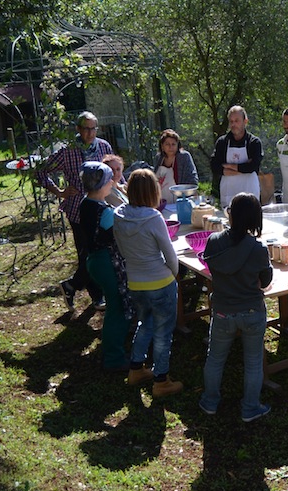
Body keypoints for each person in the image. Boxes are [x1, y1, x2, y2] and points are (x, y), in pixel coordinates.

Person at [199, 192, 273, 422]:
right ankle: (250, 407)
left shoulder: (213, 242)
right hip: (251, 311)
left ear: (230, 214)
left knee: (215, 358)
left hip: (222, 310)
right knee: (253, 362)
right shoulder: (258, 249)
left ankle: (210, 401)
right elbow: (266, 280)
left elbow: (213, 269)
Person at [113, 168, 184, 398]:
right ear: (153, 191)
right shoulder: (154, 218)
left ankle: (136, 369)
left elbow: (123, 251)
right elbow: (170, 254)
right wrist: (175, 275)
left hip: (136, 282)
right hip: (160, 281)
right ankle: (161, 380)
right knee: (163, 332)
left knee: (145, 323)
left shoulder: (118, 214)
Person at [35, 111, 110, 312]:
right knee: (86, 253)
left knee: (103, 251)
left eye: (93, 128)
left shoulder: (103, 147)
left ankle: (72, 285)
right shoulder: (67, 152)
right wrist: (59, 192)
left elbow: (113, 171)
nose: (90, 133)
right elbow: (41, 170)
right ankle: (97, 296)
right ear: (78, 129)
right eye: (86, 128)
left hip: (103, 208)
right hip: (78, 210)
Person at [78, 161, 136, 371]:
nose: (113, 181)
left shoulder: (86, 203)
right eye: (109, 178)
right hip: (106, 261)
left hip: (93, 260)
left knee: (113, 306)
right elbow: (119, 236)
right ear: (101, 183)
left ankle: (113, 350)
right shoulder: (105, 212)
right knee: (117, 308)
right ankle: (114, 357)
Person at [210, 105, 263, 208]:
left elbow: (253, 166)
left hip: (249, 190)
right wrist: (242, 168)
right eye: (231, 121)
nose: (233, 124)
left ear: (245, 121)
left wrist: (228, 166)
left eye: (237, 121)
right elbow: (214, 166)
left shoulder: (254, 142)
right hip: (229, 191)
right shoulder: (222, 142)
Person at [154, 129, 199, 204]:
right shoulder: (159, 158)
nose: (170, 147)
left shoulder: (184, 157)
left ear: (178, 145)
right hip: (162, 201)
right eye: (167, 144)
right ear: (162, 146)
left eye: (173, 144)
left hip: (180, 200)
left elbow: (192, 177)